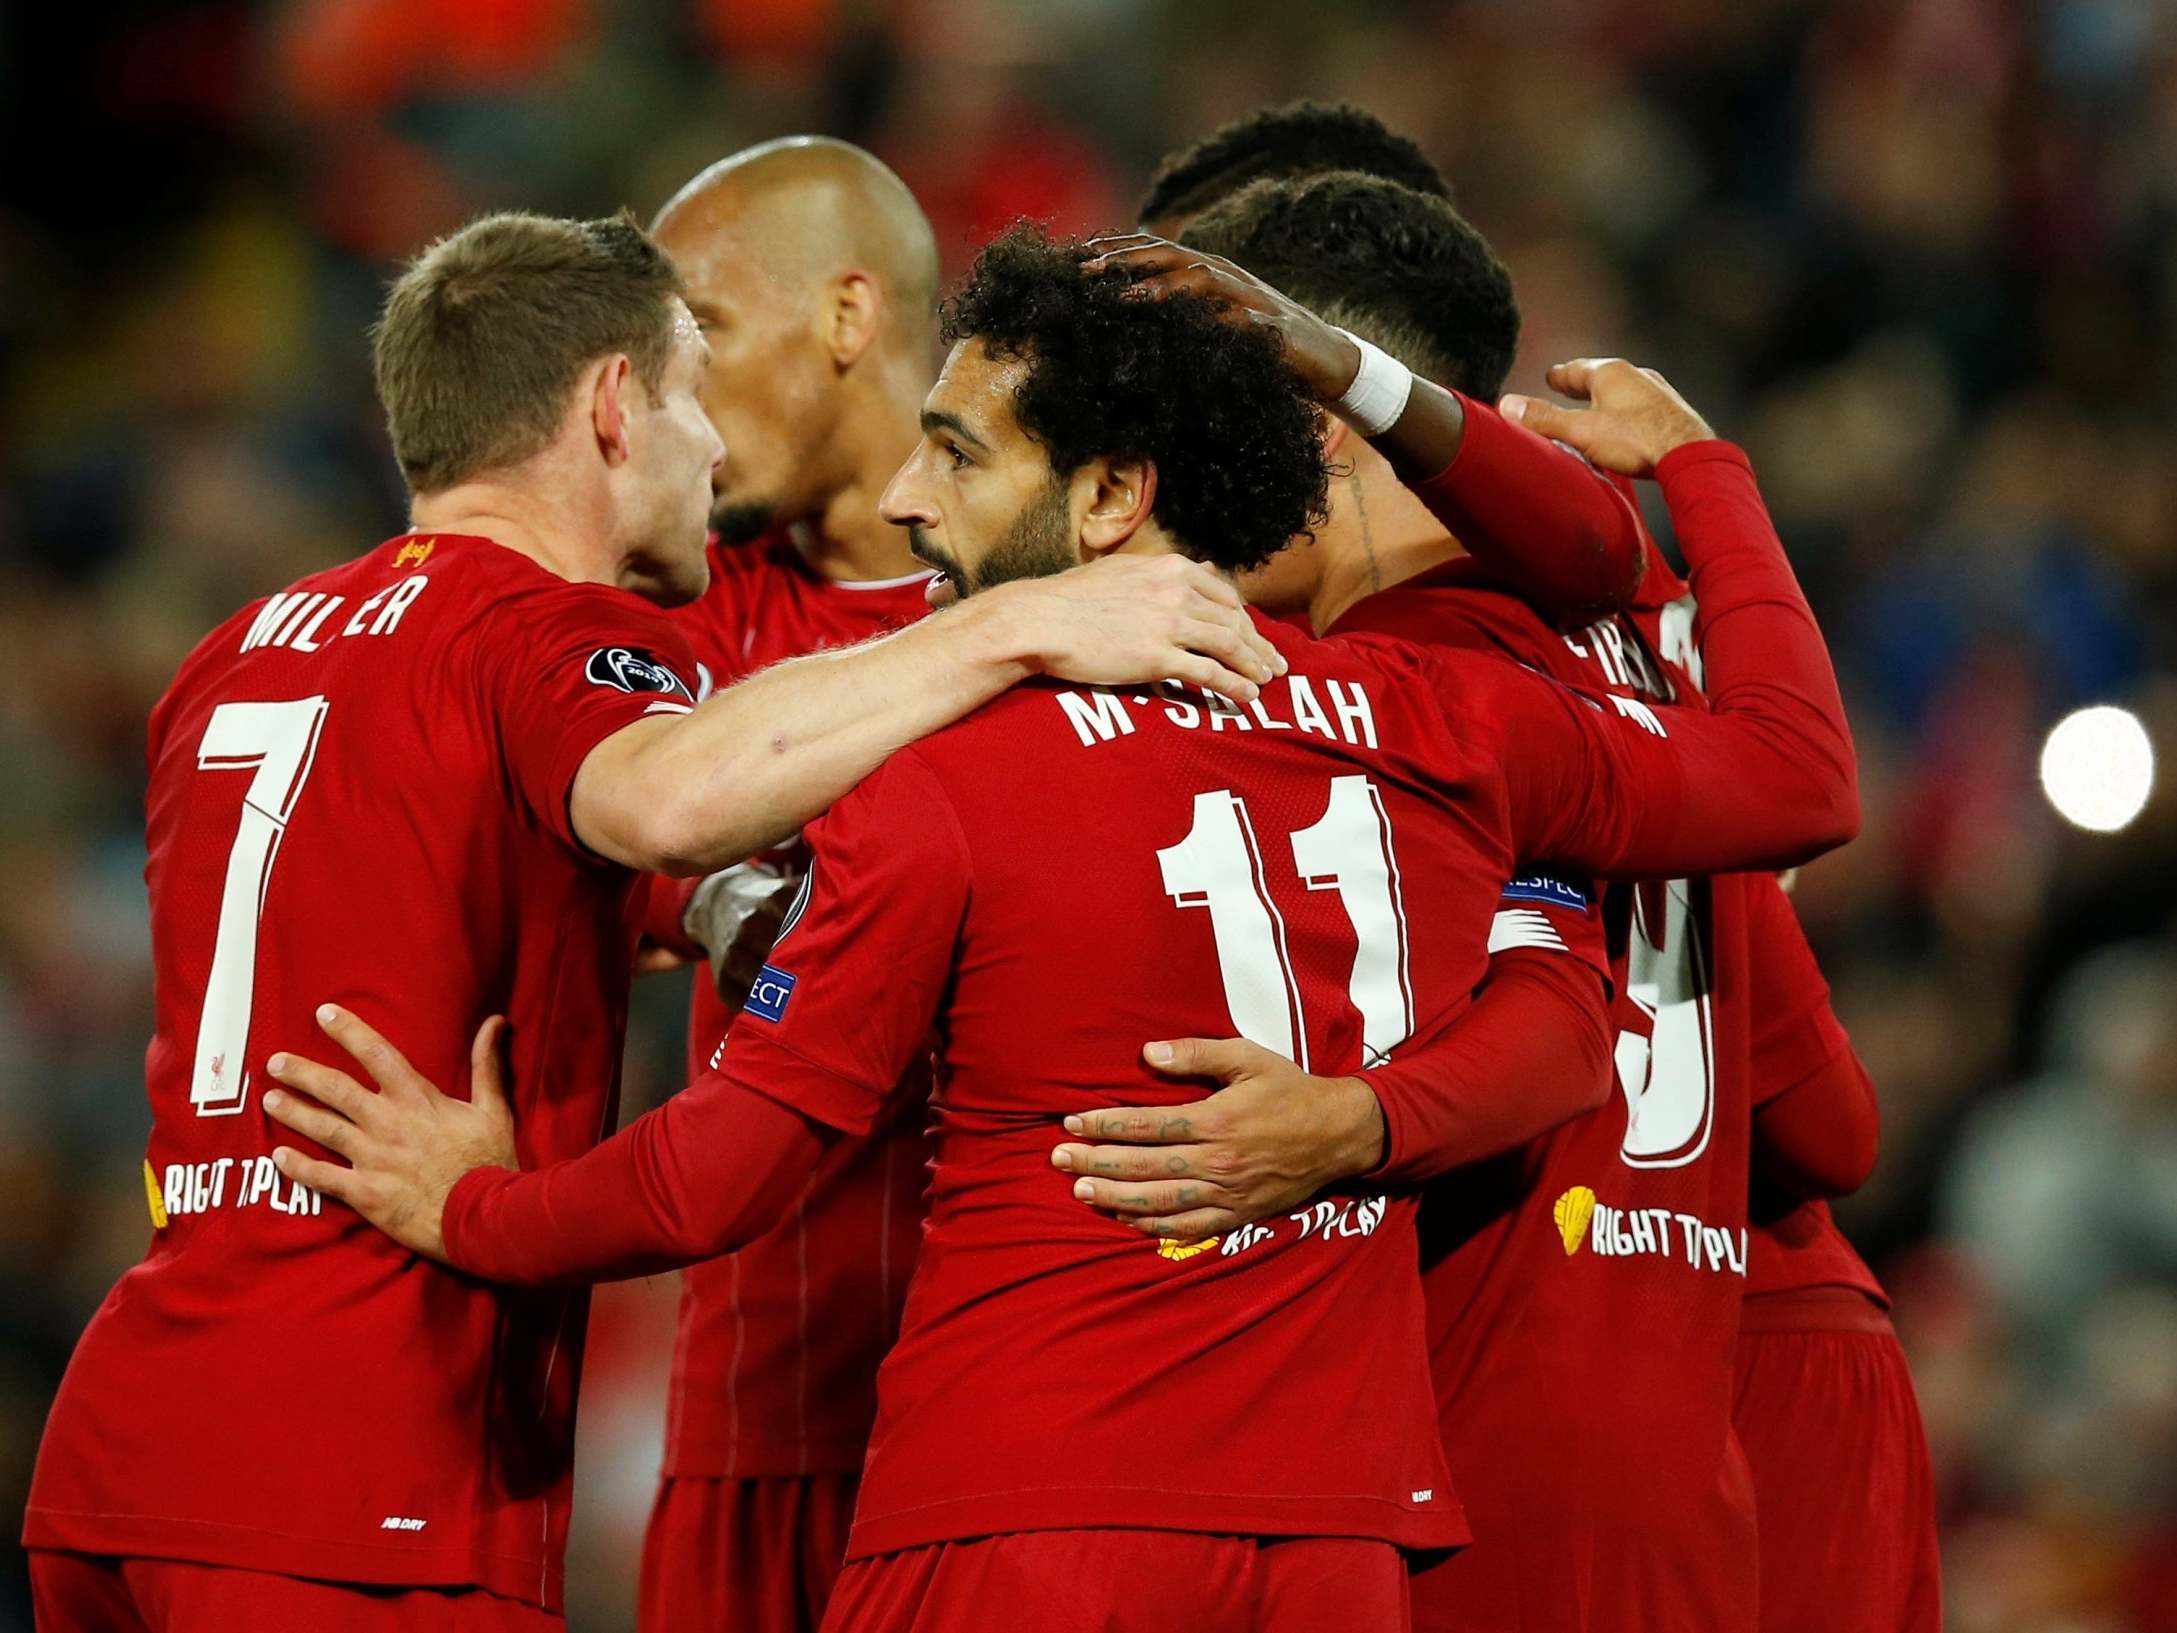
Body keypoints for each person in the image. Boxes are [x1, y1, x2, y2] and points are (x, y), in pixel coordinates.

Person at [257, 224, 1857, 1633]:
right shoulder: (1441, 726)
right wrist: (1705, 474)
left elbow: (724, 1163)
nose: (902, 497)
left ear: (1107, 498)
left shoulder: (944, 780)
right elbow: (1734, 834)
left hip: (1017, 1523)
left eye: (951, 453)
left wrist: (475, 1210)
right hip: (1334, 1551)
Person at [19, 209, 1283, 1633]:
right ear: (614, 408)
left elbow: (545, 881)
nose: (715, 449)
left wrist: (739, 909)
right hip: (359, 1456)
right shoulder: (539, 634)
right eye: (690, 393)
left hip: (127, 1437)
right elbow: (668, 805)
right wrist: (1017, 625)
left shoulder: (232, 653)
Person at [1070, 185, 1929, 1631]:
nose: (1164, 518)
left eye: (1184, 444)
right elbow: (1829, 1122)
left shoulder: (1379, 699)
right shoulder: (1629, 645)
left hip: (1469, 1451)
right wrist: (1704, 470)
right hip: (1719, 1428)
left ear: (1317, 418)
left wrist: (1352, 1127)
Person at [634, 135, 948, 1633]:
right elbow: (582, 834)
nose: (667, 398)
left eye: (700, 334)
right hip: (756, 1407)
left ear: (845, 316)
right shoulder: (683, 615)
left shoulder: (1090, 605)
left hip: (1009, 1427)